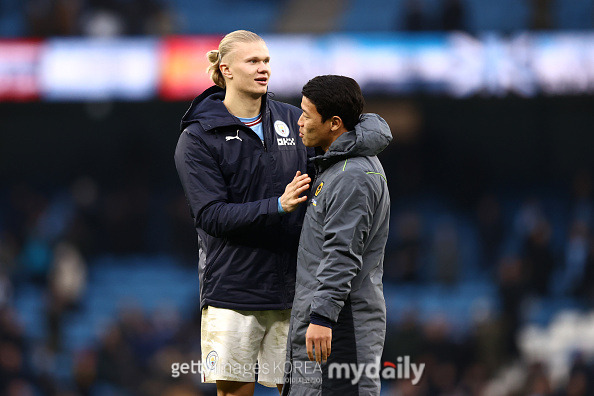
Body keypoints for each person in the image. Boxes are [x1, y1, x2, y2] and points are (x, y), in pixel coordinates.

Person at [174, 30, 312, 396]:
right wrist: (277, 206)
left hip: (294, 289)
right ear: (227, 69)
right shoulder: (199, 137)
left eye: (266, 60)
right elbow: (212, 216)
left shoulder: (295, 121)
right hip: (233, 292)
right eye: (253, 61)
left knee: (301, 391)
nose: (263, 68)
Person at [282, 75, 392, 395]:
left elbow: (342, 253)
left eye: (306, 114)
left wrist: (322, 317)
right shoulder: (336, 167)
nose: (299, 121)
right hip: (330, 320)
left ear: (334, 123)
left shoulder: (352, 175)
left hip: (343, 326)